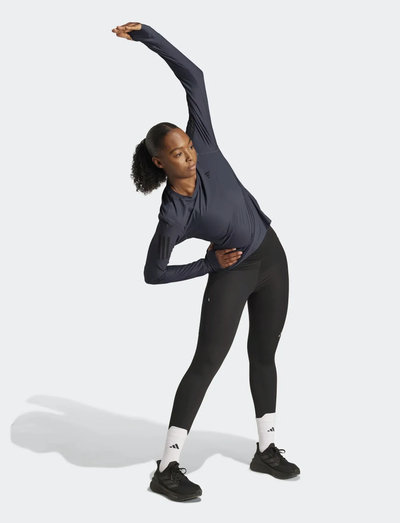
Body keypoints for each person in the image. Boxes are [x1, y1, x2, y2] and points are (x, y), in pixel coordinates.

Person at [112, 21, 300, 502]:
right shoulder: (174, 213)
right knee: (206, 363)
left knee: (264, 353)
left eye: (190, 146)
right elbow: (154, 273)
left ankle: (267, 449)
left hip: (272, 258)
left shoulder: (205, 143)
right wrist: (208, 265)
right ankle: (167, 467)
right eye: (178, 153)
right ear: (161, 162)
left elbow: (193, 76)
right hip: (232, 273)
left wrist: (149, 36)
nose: (190, 155)